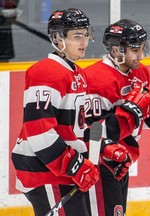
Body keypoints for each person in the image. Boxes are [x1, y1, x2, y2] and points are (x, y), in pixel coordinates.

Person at [84, 19, 150, 216]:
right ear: (116, 50)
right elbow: (91, 134)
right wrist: (132, 111)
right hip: (101, 165)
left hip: (124, 160)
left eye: (142, 48)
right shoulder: (94, 79)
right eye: (135, 49)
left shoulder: (140, 72)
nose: (140, 55)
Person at [11, 8, 99, 216]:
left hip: (62, 171)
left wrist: (103, 148)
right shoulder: (46, 72)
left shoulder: (78, 73)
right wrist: (75, 165)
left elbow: (73, 128)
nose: (84, 41)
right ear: (58, 38)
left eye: (85, 35)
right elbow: (39, 132)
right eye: (77, 36)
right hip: (46, 171)